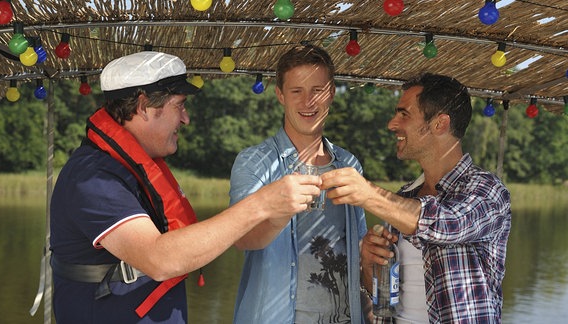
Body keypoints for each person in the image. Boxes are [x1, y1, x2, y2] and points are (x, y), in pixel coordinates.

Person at [49, 51, 322, 323]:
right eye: (179, 105)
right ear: (144, 106)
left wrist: (277, 210)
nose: (185, 118)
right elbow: (158, 259)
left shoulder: (130, 168)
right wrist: (260, 203)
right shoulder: (93, 177)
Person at [321, 73, 512, 323]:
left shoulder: (487, 191)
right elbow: (382, 301)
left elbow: (445, 224)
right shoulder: (404, 198)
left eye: (404, 114)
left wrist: (369, 193)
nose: (392, 124)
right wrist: (369, 266)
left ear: (439, 124)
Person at [228, 44, 368, 324]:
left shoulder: (350, 165)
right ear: (280, 95)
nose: (308, 102)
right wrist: (282, 211)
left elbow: (359, 253)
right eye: (296, 91)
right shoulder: (254, 162)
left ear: (330, 93)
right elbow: (242, 238)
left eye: (317, 90)